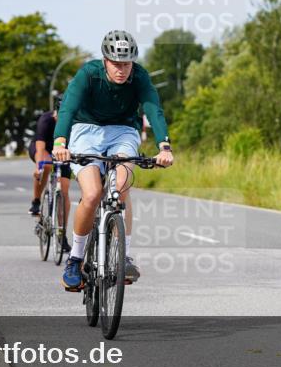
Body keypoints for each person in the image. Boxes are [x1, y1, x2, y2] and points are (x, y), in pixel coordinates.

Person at [52, 30, 174, 291]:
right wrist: (60, 142)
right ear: (105, 60)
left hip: (123, 132)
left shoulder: (139, 77)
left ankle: (125, 257)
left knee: (121, 187)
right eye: (116, 64)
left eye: (126, 64)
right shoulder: (88, 74)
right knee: (93, 193)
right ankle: (75, 259)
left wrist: (164, 146)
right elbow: (68, 109)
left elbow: (153, 108)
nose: (121, 70)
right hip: (85, 130)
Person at [29, 93, 72, 254]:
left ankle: (62, 233)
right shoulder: (46, 120)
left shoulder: (74, 121)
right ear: (56, 112)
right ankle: (36, 200)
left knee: (65, 192)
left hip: (63, 152)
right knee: (46, 167)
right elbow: (40, 148)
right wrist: (38, 167)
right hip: (44, 149)